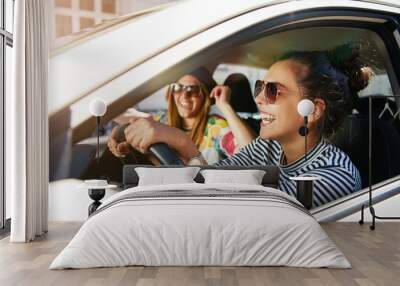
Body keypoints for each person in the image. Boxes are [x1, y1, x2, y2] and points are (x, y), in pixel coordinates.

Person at [117, 43, 372, 208]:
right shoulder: (266, 147)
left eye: (273, 91)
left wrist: (184, 145)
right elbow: (210, 179)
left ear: (313, 110)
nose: (259, 97)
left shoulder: (336, 176)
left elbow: (243, 206)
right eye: (260, 87)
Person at [108, 67, 255, 164]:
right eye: (178, 88)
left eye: (193, 90)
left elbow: (252, 156)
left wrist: (225, 106)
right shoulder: (162, 121)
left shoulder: (215, 127)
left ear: (204, 96)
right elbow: (128, 118)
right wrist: (118, 134)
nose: (184, 95)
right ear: (171, 93)